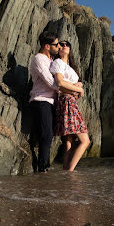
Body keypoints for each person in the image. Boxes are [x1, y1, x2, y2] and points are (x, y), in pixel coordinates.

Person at [29, 32, 83, 173]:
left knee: (51, 135)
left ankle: (50, 167)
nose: (59, 46)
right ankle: (43, 169)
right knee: (46, 134)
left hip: (53, 102)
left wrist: (77, 85)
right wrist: (73, 90)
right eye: (56, 44)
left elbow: (63, 78)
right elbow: (53, 83)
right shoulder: (39, 59)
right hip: (41, 100)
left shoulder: (52, 61)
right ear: (47, 46)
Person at [50, 40, 90, 171]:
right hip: (67, 101)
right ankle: (70, 171)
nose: (64, 46)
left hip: (70, 101)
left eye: (67, 44)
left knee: (69, 142)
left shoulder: (69, 67)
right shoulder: (58, 63)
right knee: (85, 141)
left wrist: (79, 86)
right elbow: (60, 83)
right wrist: (77, 89)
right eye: (60, 45)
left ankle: (65, 172)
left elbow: (75, 83)